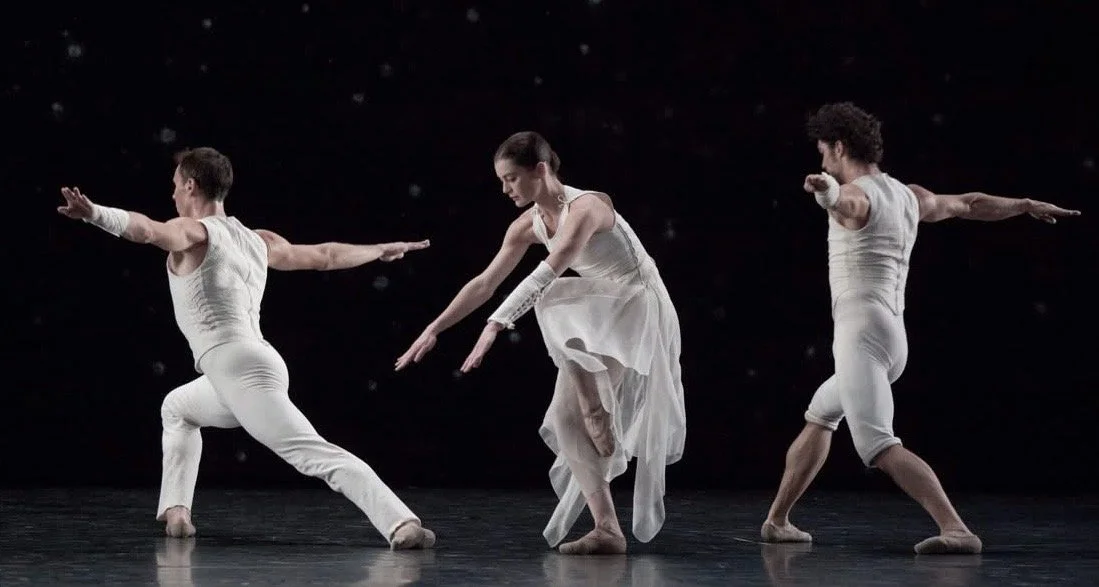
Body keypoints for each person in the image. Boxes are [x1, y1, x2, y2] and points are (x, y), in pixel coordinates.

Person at [55, 147, 436, 550]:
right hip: (244, 366)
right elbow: (324, 256)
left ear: (190, 185)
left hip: (238, 367)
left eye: (175, 186)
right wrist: (378, 250)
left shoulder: (194, 232)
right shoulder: (258, 240)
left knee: (311, 452)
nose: (172, 194)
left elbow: (147, 230)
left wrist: (94, 213)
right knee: (177, 408)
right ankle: (177, 512)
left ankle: (400, 522)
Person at [761, 102, 1081, 554]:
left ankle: (957, 530)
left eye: (824, 153)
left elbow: (846, 203)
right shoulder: (910, 196)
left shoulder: (858, 195)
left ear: (839, 147)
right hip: (892, 338)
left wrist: (826, 192)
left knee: (877, 445)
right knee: (821, 414)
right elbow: (969, 204)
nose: (823, 162)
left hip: (860, 339)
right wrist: (1025, 205)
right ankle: (777, 520)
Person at [394, 131, 686, 555]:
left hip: (639, 302)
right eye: (501, 180)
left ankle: (595, 406)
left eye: (511, 178)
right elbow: (485, 282)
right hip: (598, 309)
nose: (505, 189)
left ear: (541, 170)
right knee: (565, 420)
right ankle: (607, 528)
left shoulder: (588, 207)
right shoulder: (526, 226)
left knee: (551, 296)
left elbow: (550, 270)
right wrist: (435, 327)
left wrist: (496, 324)